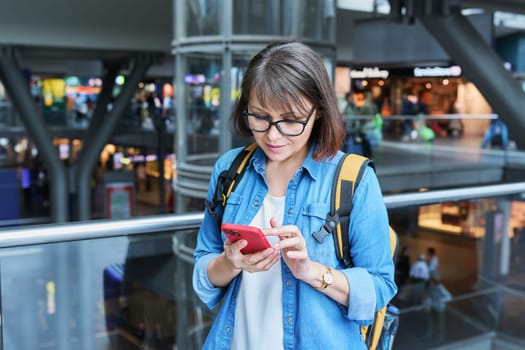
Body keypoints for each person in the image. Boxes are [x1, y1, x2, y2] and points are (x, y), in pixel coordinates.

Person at [192, 41, 397, 350]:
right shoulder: (230, 170)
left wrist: (311, 271)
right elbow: (203, 266)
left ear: (318, 112)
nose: (272, 135)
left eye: (290, 120)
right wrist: (230, 262)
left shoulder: (354, 179)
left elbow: (380, 286)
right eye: (259, 117)